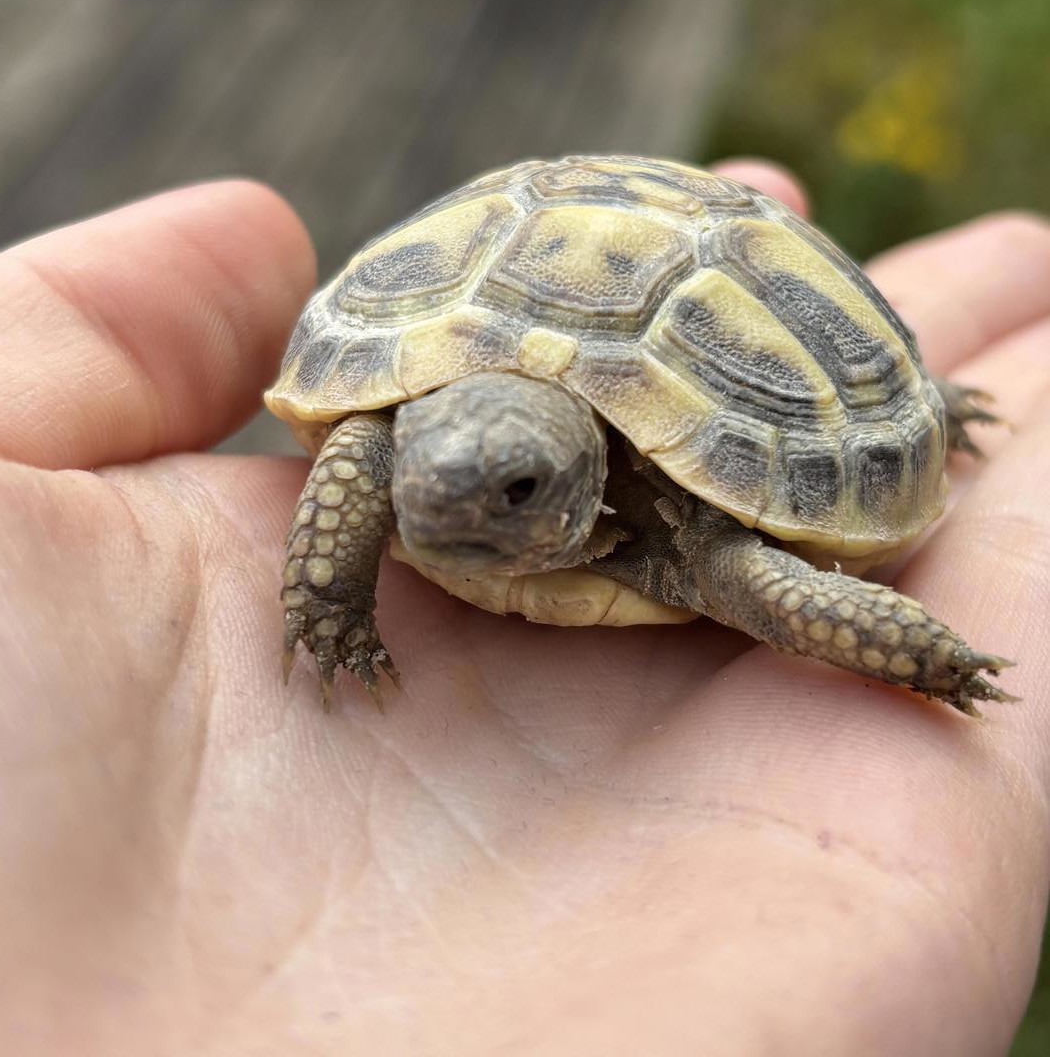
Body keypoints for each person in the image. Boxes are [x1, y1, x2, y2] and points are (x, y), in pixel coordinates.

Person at [1, 160, 1047, 1056]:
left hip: (698, 459)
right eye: (420, 467)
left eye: (512, 495)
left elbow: (788, 591)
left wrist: (935, 658)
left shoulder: (700, 542)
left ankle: (926, 417)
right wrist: (329, 600)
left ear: (579, 480)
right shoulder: (387, 447)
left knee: (771, 589)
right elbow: (368, 450)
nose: (435, 505)